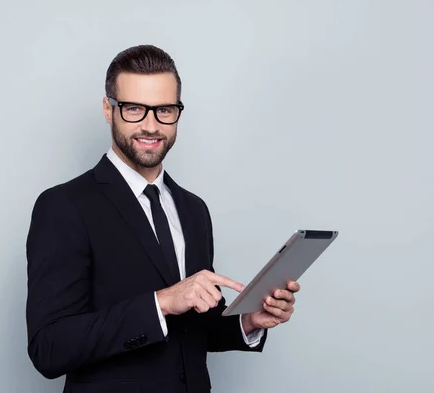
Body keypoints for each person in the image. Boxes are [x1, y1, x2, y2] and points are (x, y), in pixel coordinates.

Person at [25, 44, 300, 393]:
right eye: (135, 109)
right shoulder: (64, 206)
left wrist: (247, 321)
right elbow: (49, 347)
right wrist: (161, 302)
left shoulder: (193, 209)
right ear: (109, 110)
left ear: (178, 113)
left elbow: (190, 332)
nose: (151, 126)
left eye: (164, 110)